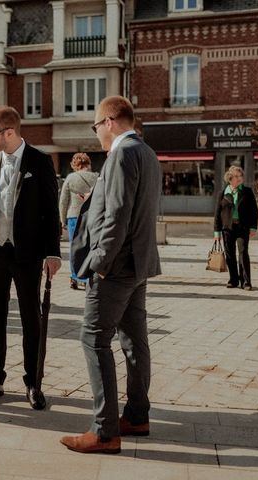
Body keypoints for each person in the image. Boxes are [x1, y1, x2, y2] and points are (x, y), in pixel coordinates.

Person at [61, 96, 161, 454]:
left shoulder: (121, 154)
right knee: (134, 339)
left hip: (116, 266)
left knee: (93, 338)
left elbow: (117, 215)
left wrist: (100, 262)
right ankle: (136, 415)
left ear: (109, 121)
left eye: (96, 126)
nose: (97, 134)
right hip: (139, 264)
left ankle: (104, 431)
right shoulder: (147, 153)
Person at [0, 105, 61, 411]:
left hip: (27, 254)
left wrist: (53, 253)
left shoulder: (40, 161)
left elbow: (51, 211)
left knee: (30, 319)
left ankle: (33, 383)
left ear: (9, 132)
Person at [213, 166, 258, 290]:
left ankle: (246, 281)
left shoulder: (247, 191)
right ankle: (233, 280)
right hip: (227, 228)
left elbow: (254, 211)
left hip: (243, 227)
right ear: (230, 178)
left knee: (243, 253)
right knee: (230, 255)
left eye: (241, 176)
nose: (239, 178)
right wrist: (216, 231)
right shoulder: (223, 193)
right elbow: (217, 213)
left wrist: (253, 227)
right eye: (237, 176)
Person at [59, 153, 98, 290]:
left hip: (74, 217)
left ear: (75, 165)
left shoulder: (71, 178)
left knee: (74, 248)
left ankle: (75, 276)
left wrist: (62, 220)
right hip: (92, 216)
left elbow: (63, 201)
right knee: (89, 247)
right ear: (88, 163)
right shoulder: (97, 177)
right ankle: (88, 276)